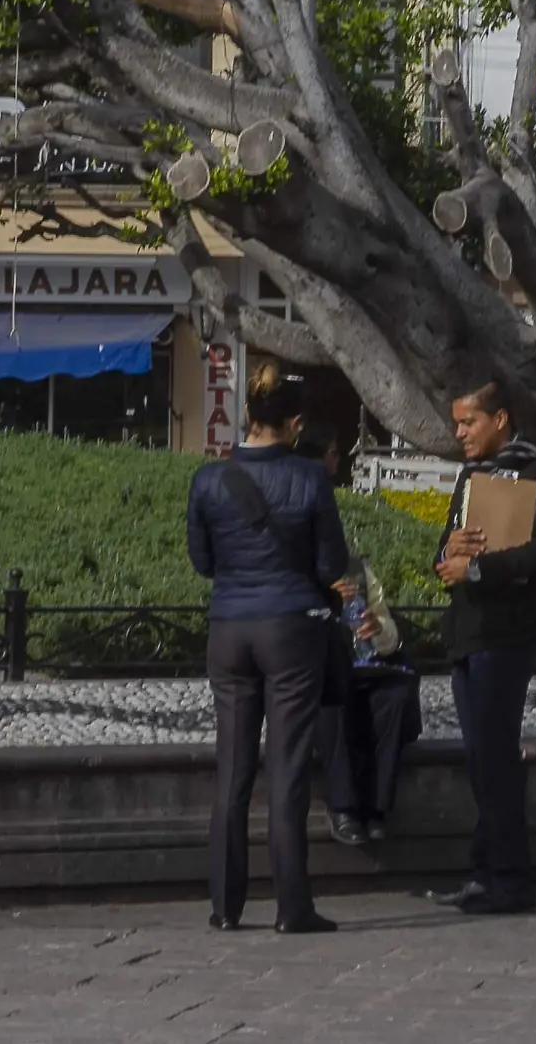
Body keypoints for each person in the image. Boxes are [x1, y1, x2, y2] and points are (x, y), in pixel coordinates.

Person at [187, 361, 349, 934]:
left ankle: (224, 905)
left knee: (231, 770)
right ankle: (292, 907)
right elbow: (332, 564)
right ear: (295, 422)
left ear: (248, 416)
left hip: (229, 627)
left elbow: (203, 561)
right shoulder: (309, 479)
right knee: (286, 770)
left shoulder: (209, 480)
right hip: (290, 629)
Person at [429, 378, 536, 915]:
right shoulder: (473, 477)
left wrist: (483, 566)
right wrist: (451, 549)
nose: (459, 432)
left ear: (500, 419)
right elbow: (444, 555)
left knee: (496, 759)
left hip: (507, 634)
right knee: (479, 760)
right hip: (468, 632)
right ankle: (484, 872)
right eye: (457, 423)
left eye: (468, 422)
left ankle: (511, 879)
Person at [294, 424, 424, 847]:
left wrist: (374, 627)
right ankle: (344, 807)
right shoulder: (292, 574)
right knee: (332, 702)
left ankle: (376, 808)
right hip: (314, 674)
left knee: (394, 698)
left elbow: (389, 637)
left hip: (365, 670)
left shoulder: (355, 570)